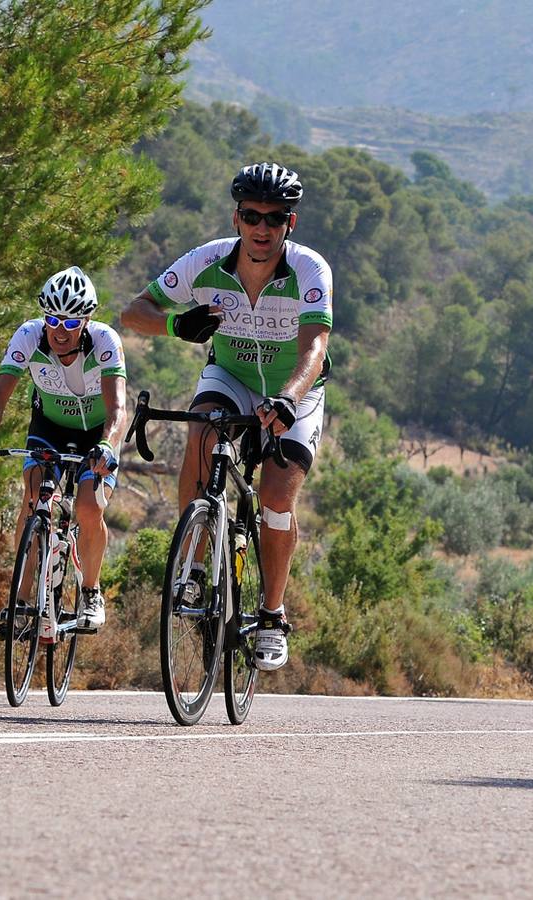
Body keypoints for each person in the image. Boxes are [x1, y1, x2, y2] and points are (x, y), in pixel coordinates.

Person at [121, 163, 331, 671]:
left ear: (290, 223)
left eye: (274, 218)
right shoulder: (206, 262)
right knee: (202, 430)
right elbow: (133, 311)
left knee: (277, 501)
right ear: (237, 218)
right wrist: (175, 322)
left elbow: (316, 346)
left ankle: (273, 614)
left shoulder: (308, 270)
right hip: (230, 378)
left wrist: (287, 398)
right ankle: (195, 558)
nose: (262, 228)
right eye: (252, 216)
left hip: (293, 389)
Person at [0, 267, 125, 630]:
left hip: (95, 435)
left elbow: (118, 408)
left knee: (88, 507)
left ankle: (90, 590)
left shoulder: (105, 340)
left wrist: (107, 444)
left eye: (71, 324)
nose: (59, 330)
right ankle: (21, 601)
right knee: (33, 499)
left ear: (86, 321)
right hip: (49, 426)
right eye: (53, 319)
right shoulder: (29, 335)